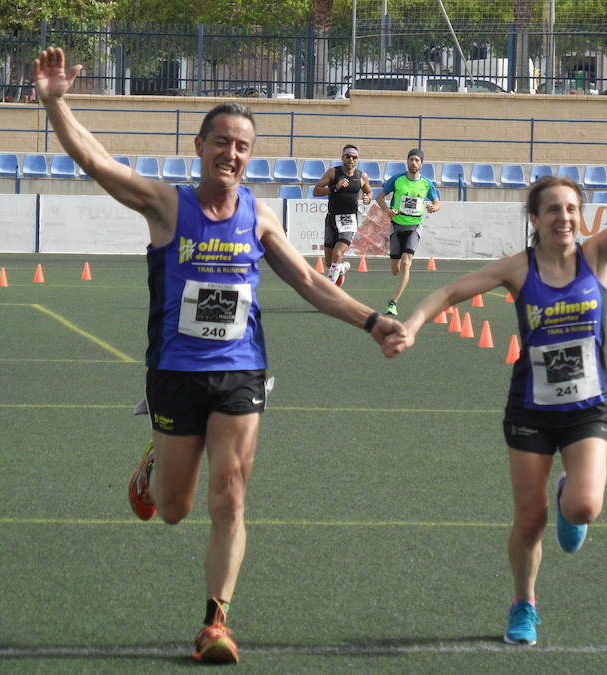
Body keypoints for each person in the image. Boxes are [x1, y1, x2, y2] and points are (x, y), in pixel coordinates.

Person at [32, 47, 406, 664]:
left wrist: (371, 320)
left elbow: (311, 283)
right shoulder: (166, 204)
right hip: (176, 373)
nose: (231, 154)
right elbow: (96, 162)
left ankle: (216, 621)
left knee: (229, 494)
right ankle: (153, 465)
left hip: (239, 372)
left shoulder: (258, 216)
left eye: (242, 146)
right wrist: (55, 101)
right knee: (175, 510)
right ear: (200, 147)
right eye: (221, 142)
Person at [385, 102, 607, 646]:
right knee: (528, 520)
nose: (564, 218)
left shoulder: (596, 256)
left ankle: (569, 501)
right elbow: (451, 290)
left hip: (586, 409)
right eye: (552, 210)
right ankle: (524, 603)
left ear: (581, 214)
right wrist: (411, 324)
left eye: (571, 208)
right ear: (536, 218)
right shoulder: (517, 269)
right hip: (530, 410)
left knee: (583, 505)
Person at [375, 148, 441, 315]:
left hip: (414, 227)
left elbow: (437, 202)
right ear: (407, 161)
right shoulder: (397, 180)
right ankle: (396, 286)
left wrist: (434, 207)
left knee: (406, 263)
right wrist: (387, 211)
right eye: (411, 159)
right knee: (395, 269)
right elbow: (379, 197)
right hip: (397, 226)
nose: (414, 163)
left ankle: (393, 303)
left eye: (417, 160)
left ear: (422, 164)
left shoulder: (426, 183)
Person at [312, 144, 373, 287]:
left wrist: (368, 198)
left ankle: (329, 290)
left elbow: (369, 192)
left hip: (349, 219)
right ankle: (342, 268)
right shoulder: (333, 173)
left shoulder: (361, 176)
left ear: (357, 159)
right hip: (332, 218)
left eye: (354, 157)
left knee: (338, 254)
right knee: (330, 262)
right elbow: (316, 191)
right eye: (348, 156)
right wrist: (335, 187)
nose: (351, 159)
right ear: (342, 158)